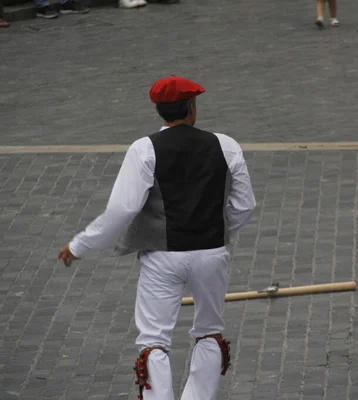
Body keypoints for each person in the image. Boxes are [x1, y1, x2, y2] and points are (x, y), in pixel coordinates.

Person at [58, 75, 256, 400]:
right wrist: (219, 234)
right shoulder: (225, 145)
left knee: (154, 340)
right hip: (211, 254)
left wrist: (79, 245)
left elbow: (122, 209)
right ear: (192, 108)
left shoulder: (144, 149)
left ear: (159, 112)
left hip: (162, 257)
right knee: (209, 332)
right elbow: (244, 205)